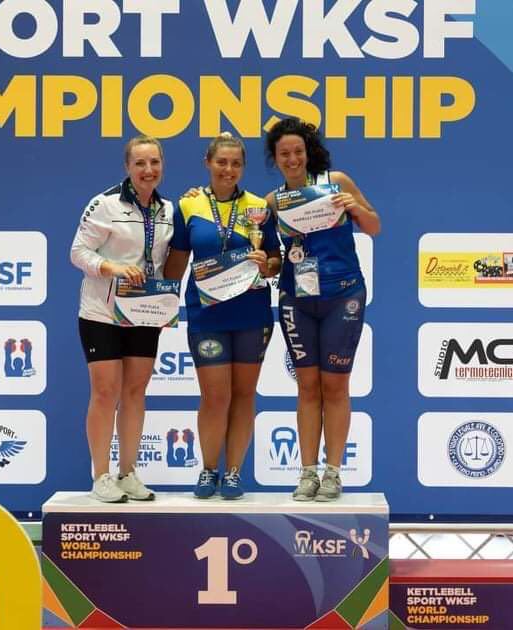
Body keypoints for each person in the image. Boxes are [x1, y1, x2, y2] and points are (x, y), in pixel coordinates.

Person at [264, 119, 381, 501]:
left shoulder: (336, 182)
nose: (292, 159)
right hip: (297, 298)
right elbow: (273, 258)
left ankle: (333, 472)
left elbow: (374, 226)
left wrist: (354, 207)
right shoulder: (273, 202)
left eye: (298, 151)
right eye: (284, 154)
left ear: (308, 151)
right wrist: (265, 264)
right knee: (307, 387)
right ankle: (307, 472)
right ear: (275, 159)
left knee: (335, 386)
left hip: (343, 294)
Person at [164, 133, 281, 499]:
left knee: (244, 395)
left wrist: (267, 264)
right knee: (215, 397)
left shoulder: (259, 206)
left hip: (252, 313)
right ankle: (209, 469)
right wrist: (153, 297)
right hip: (207, 314)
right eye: (221, 162)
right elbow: (175, 264)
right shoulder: (189, 205)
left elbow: (275, 260)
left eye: (236, 164)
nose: (228, 169)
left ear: (243, 168)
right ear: (208, 163)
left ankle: (233, 473)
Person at [70, 135, 175, 503]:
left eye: (154, 162)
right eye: (140, 163)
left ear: (162, 165)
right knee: (105, 392)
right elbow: (77, 251)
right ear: (127, 167)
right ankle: (101, 475)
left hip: (143, 312)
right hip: (102, 313)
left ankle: (128, 472)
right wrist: (110, 267)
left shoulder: (167, 210)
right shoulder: (105, 204)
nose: (148, 170)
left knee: (135, 391)